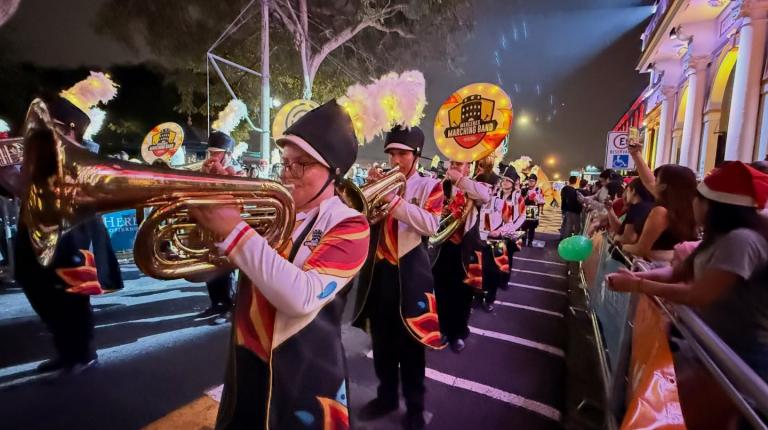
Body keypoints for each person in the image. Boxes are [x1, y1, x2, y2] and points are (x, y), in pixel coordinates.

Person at [190, 100, 371, 429]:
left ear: (334, 172)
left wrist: (233, 228)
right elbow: (203, 271)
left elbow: (301, 298)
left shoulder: (350, 224)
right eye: (286, 163)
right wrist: (215, 209)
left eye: (301, 165)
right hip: (247, 362)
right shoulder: (271, 211)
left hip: (303, 375)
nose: (288, 174)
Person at [607, 161, 768, 382]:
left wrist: (638, 285)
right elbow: (677, 273)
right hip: (713, 345)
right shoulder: (718, 237)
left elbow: (699, 294)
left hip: (742, 356)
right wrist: (636, 276)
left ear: (712, 206)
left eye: (697, 200)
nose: (692, 205)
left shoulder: (741, 240)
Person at [12, 95, 124, 376]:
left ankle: (83, 354)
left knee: (73, 294)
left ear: (71, 128)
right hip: (35, 228)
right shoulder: (40, 152)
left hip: (75, 231)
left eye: (54, 126)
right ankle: (65, 350)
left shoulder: (85, 155)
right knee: (36, 286)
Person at [353, 125, 443, 430]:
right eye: (391, 153)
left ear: (416, 155)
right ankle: (387, 396)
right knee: (382, 341)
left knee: (411, 346)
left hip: (409, 274)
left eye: (401, 154)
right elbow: (365, 221)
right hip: (379, 273)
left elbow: (431, 225)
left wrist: (393, 201)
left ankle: (415, 407)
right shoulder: (383, 181)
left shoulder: (430, 186)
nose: (395, 160)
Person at [194, 131, 240, 324]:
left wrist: (223, 175)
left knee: (226, 269)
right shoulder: (203, 171)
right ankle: (215, 303)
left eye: (217, 153)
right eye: (210, 152)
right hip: (207, 227)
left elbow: (239, 199)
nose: (213, 157)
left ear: (227, 155)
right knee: (209, 266)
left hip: (227, 228)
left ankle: (229, 306)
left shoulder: (237, 172)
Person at [621, 162, 698, 262]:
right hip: (672, 267)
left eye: (656, 179)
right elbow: (648, 182)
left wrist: (623, 246)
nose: (653, 183)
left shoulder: (661, 211)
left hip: (653, 267)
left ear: (664, 186)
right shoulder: (689, 209)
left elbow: (641, 250)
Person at [483, 165, 526, 311]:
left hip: (507, 234)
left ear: (513, 183)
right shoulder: (495, 195)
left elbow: (521, 216)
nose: (505, 183)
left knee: (505, 260)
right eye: (504, 180)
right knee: (485, 267)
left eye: (508, 181)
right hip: (490, 235)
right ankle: (484, 293)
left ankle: (502, 283)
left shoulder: (518, 197)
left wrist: (509, 229)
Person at [610, 178, 655, 246]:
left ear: (633, 191)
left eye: (627, 190)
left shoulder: (636, 208)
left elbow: (629, 238)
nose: (625, 194)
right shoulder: (653, 207)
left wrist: (616, 237)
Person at [520, 173, 545, 246]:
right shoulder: (524, 189)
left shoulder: (538, 190)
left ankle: (530, 241)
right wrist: (526, 196)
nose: (531, 182)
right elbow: (520, 200)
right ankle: (523, 241)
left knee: (531, 227)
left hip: (533, 209)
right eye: (530, 180)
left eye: (533, 181)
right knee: (523, 226)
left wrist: (535, 199)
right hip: (524, 209)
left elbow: (542, 201)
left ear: (535, 182)